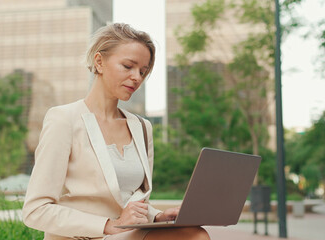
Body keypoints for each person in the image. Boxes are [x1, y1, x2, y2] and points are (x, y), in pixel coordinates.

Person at [21, 23, 211, 240]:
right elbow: (36, 210)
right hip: (83, 237)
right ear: (99, 62)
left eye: (143, 71)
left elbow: (132, 201)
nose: (137, 77)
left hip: (125, 235)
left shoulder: (142, 127)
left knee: (195, 233)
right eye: (128, 66)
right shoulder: (64, 119)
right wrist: (109, 225)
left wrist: (158, 217)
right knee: (194, 237)